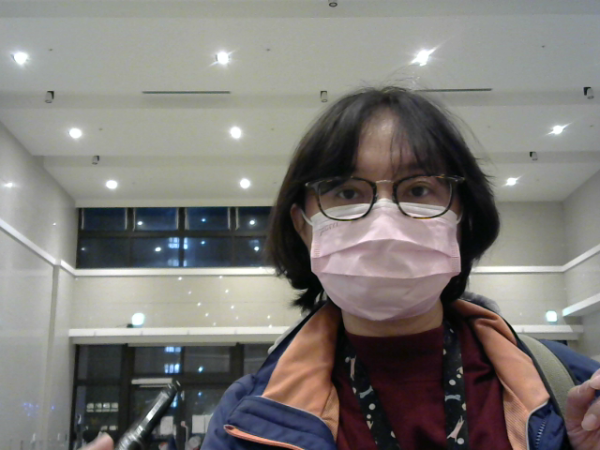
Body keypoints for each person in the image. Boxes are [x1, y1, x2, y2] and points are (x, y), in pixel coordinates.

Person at [85, 87, 600, 450]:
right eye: (347, 192)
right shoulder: (246, 419)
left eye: (419, 189)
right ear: (304, 226)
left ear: (463, 218)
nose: (384, 219)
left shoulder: (571, 391)